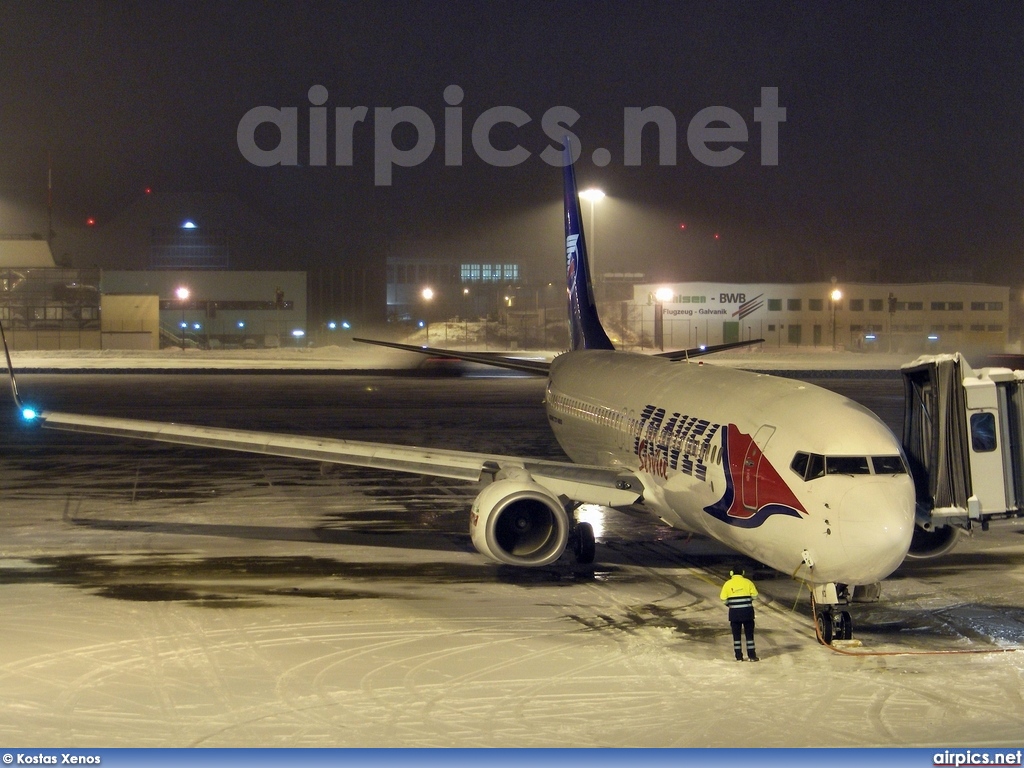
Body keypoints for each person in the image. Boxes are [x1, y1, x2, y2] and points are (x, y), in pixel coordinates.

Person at [720, 569, 759, 661]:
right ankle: (752, 656)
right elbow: (755, 596)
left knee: (736, 637)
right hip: (747, 613)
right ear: (743, 573)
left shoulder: (727, 584)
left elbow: (723, 599)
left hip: (734, 614)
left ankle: (739, 656)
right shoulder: (748, 582)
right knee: (749, 636)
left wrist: (731, 604)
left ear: (731, 573)